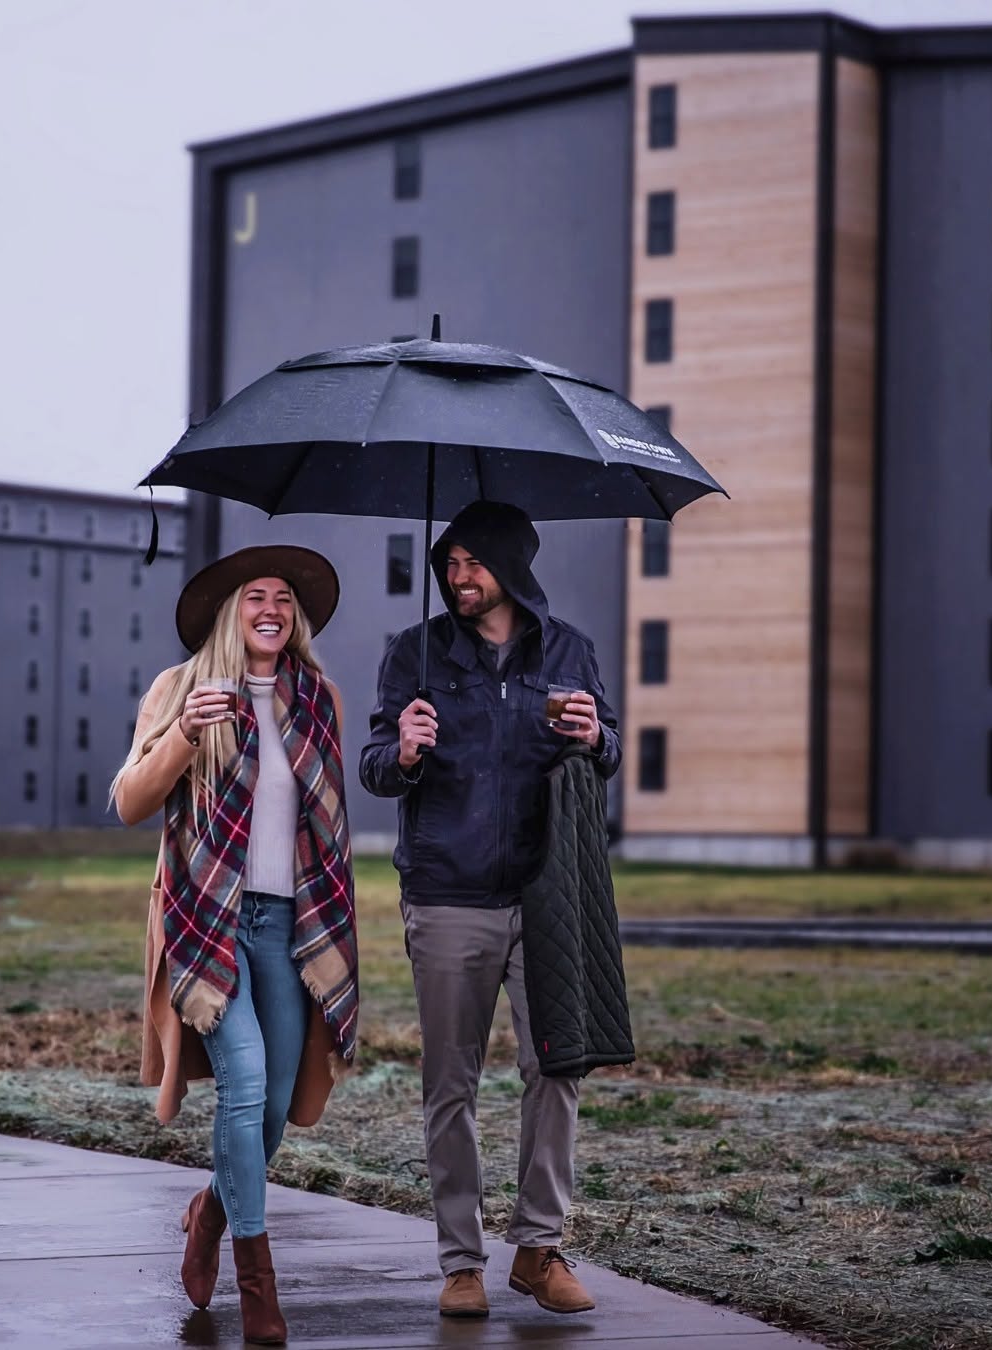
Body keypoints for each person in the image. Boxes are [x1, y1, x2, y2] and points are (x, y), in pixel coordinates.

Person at [360, 500, 620, 1320]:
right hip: (447, 893)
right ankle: (461, 1262)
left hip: (547, 895)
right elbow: (373, 765)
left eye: (472, 562)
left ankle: (539, 1248)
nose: (457, 576)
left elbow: (607, 746)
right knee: (451, 1085)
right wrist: (401, 750)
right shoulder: (416, 653)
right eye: (449, 563)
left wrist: (594, 737)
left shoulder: (569, 649)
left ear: (510, 564)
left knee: (558, 1067)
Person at [111, 545, 356, 1347]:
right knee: (243, 1086)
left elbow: (324, 830)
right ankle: (259, 1282)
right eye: (257, 595)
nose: (272, 609)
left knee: (276, 1108)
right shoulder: (180, 691)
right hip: (207, 922)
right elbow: (129, 802)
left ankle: (210, 1211)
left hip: (291, 926)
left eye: (285, 597)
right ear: (231, 610)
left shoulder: (319, 699)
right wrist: (183, 736)